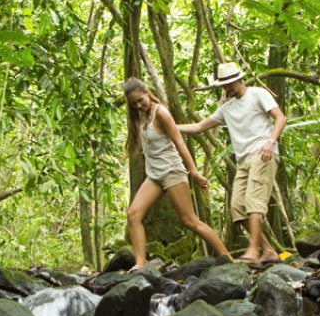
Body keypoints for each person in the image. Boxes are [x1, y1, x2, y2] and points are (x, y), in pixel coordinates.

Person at [177, 61, 286, 264]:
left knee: (254, 202)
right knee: (237, 207)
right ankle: (268, 250)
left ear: (239, 79)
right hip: (244, 160)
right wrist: (170, 127)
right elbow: (199, 127)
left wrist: (271, 142)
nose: (228, 88)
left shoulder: (258, 94)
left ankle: (253, 250)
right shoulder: (226, 108)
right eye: (224, 85)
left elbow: (280, 118)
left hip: (263, 153)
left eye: (231, 83)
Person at [120, 78, 229, 270]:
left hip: (172, 172)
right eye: (134, 103)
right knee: (133, 215)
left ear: (146, 92)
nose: (139, 105)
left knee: (190, 221)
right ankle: (140, 265)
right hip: (154, 176)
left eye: (140, 100)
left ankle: (227, 258)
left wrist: (193, 172)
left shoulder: (160, 112)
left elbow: (179, 142)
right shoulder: (141, 116)